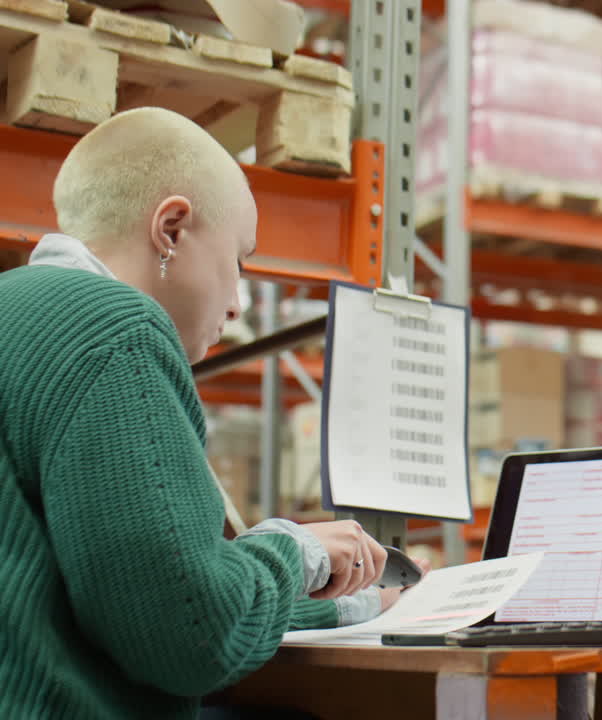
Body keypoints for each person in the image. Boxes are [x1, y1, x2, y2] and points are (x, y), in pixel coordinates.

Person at [0, 107, 420, 719]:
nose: (238, 300)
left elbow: (115, 598)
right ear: (171, 229)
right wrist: (294, 551)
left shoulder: (17, 309)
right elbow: (188, 634)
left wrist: (346, 605)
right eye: (239, 260)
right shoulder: (117, 331)